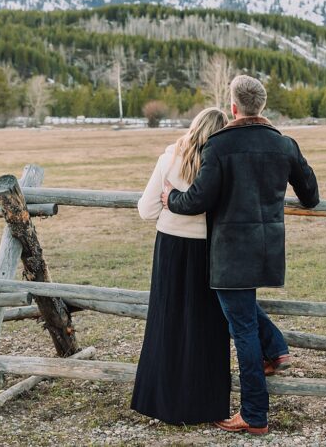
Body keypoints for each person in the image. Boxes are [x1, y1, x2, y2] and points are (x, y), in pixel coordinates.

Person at [163, 75, 320, 435]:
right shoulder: (284, 145)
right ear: (260, 106)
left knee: (242, 328)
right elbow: (310, 194)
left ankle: (254, 414)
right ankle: (276, 349)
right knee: (243, 316)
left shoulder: (219, 146)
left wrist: (170, 197)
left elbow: (197, 200)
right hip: (267, 248)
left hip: (230, 252)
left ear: (233, 107)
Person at [130, 107, 232, 425]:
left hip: (171, 246)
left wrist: (168, 200)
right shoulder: (222, 162)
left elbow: (146, 210)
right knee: (206, 327)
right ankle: (205, 405)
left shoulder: (170, 158)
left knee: (167, 321)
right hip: (207, 249)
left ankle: (163, 403)